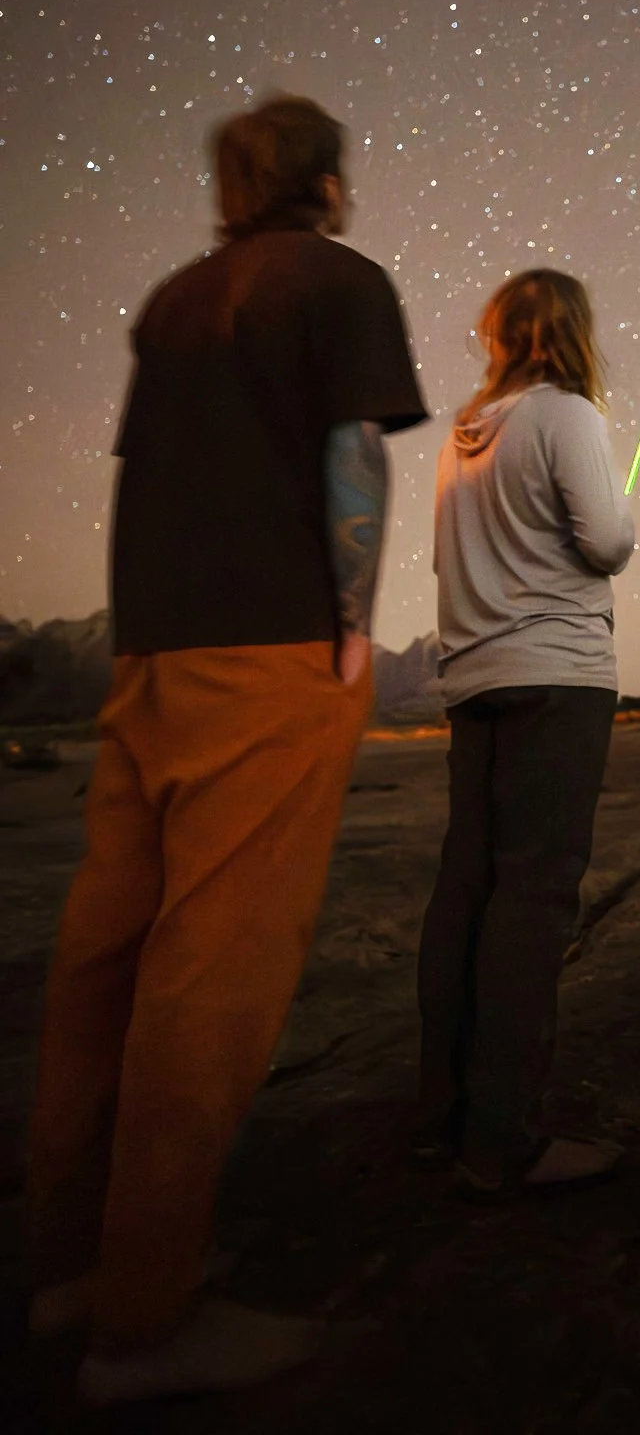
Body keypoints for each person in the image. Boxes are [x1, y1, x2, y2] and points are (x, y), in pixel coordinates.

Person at [26, 95, 427, 1403]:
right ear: (327, 179)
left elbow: (147, 475)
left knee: (108, 962)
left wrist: (139, 632)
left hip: (153, 657)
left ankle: (77, 1266)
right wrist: (356, 628)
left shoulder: (179, 297)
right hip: (269, 657)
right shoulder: (339, 279)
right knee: (215, 979)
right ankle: (143, 1327)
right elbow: (351, 455)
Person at [416, 267, 634, 1194]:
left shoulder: (461, 438)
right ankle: (500, 1142)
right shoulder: (566, 417)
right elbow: (609, 540)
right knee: (533, 903)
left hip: (474, 680)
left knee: (466, 892)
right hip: (556, 680)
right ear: (571, 331)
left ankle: (444, 1115)